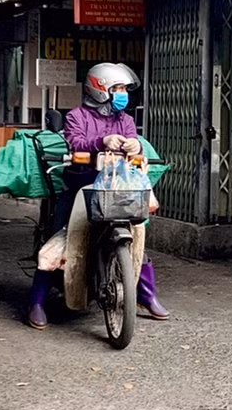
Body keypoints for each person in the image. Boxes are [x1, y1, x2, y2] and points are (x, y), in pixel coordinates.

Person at [27, 62, 170, 329]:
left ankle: (147, 296)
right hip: (82, 186)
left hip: (116, 189)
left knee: (138, 239)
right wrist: (101, 142)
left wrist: (134, 144)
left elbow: (132, 144)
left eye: (125, 89)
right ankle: (37, 302)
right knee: (58, 241)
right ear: (99, 89)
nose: (122, 93)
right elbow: (76, 142)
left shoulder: (126, 120)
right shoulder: (76, 117)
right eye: (117, 88)